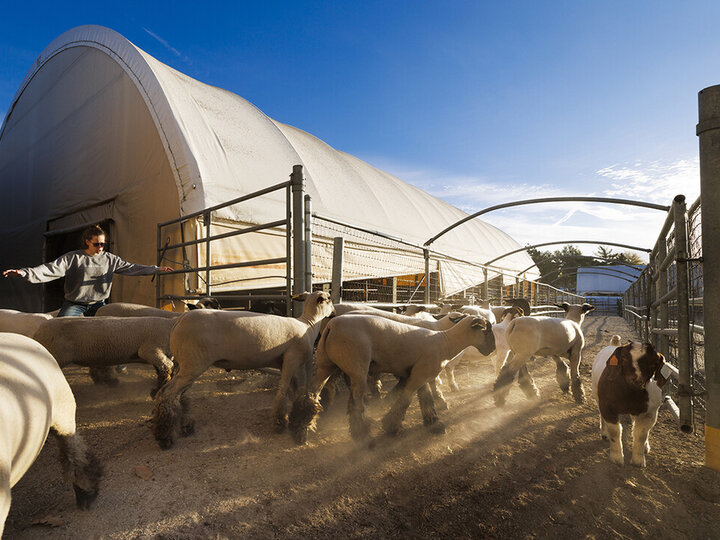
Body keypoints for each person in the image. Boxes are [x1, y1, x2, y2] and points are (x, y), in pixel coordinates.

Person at [3, 224, 173, 317]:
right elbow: (50, 269)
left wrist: (156, 269)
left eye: (103, 244)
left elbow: (132, 268)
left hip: (99, 304)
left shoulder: (110, 259)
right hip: (74, 304)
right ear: (87, 242)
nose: (100, 247)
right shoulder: (73, 258)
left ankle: (118, 366)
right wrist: (24, 273)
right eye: (96, 244)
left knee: (109, 333)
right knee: (58, 329)